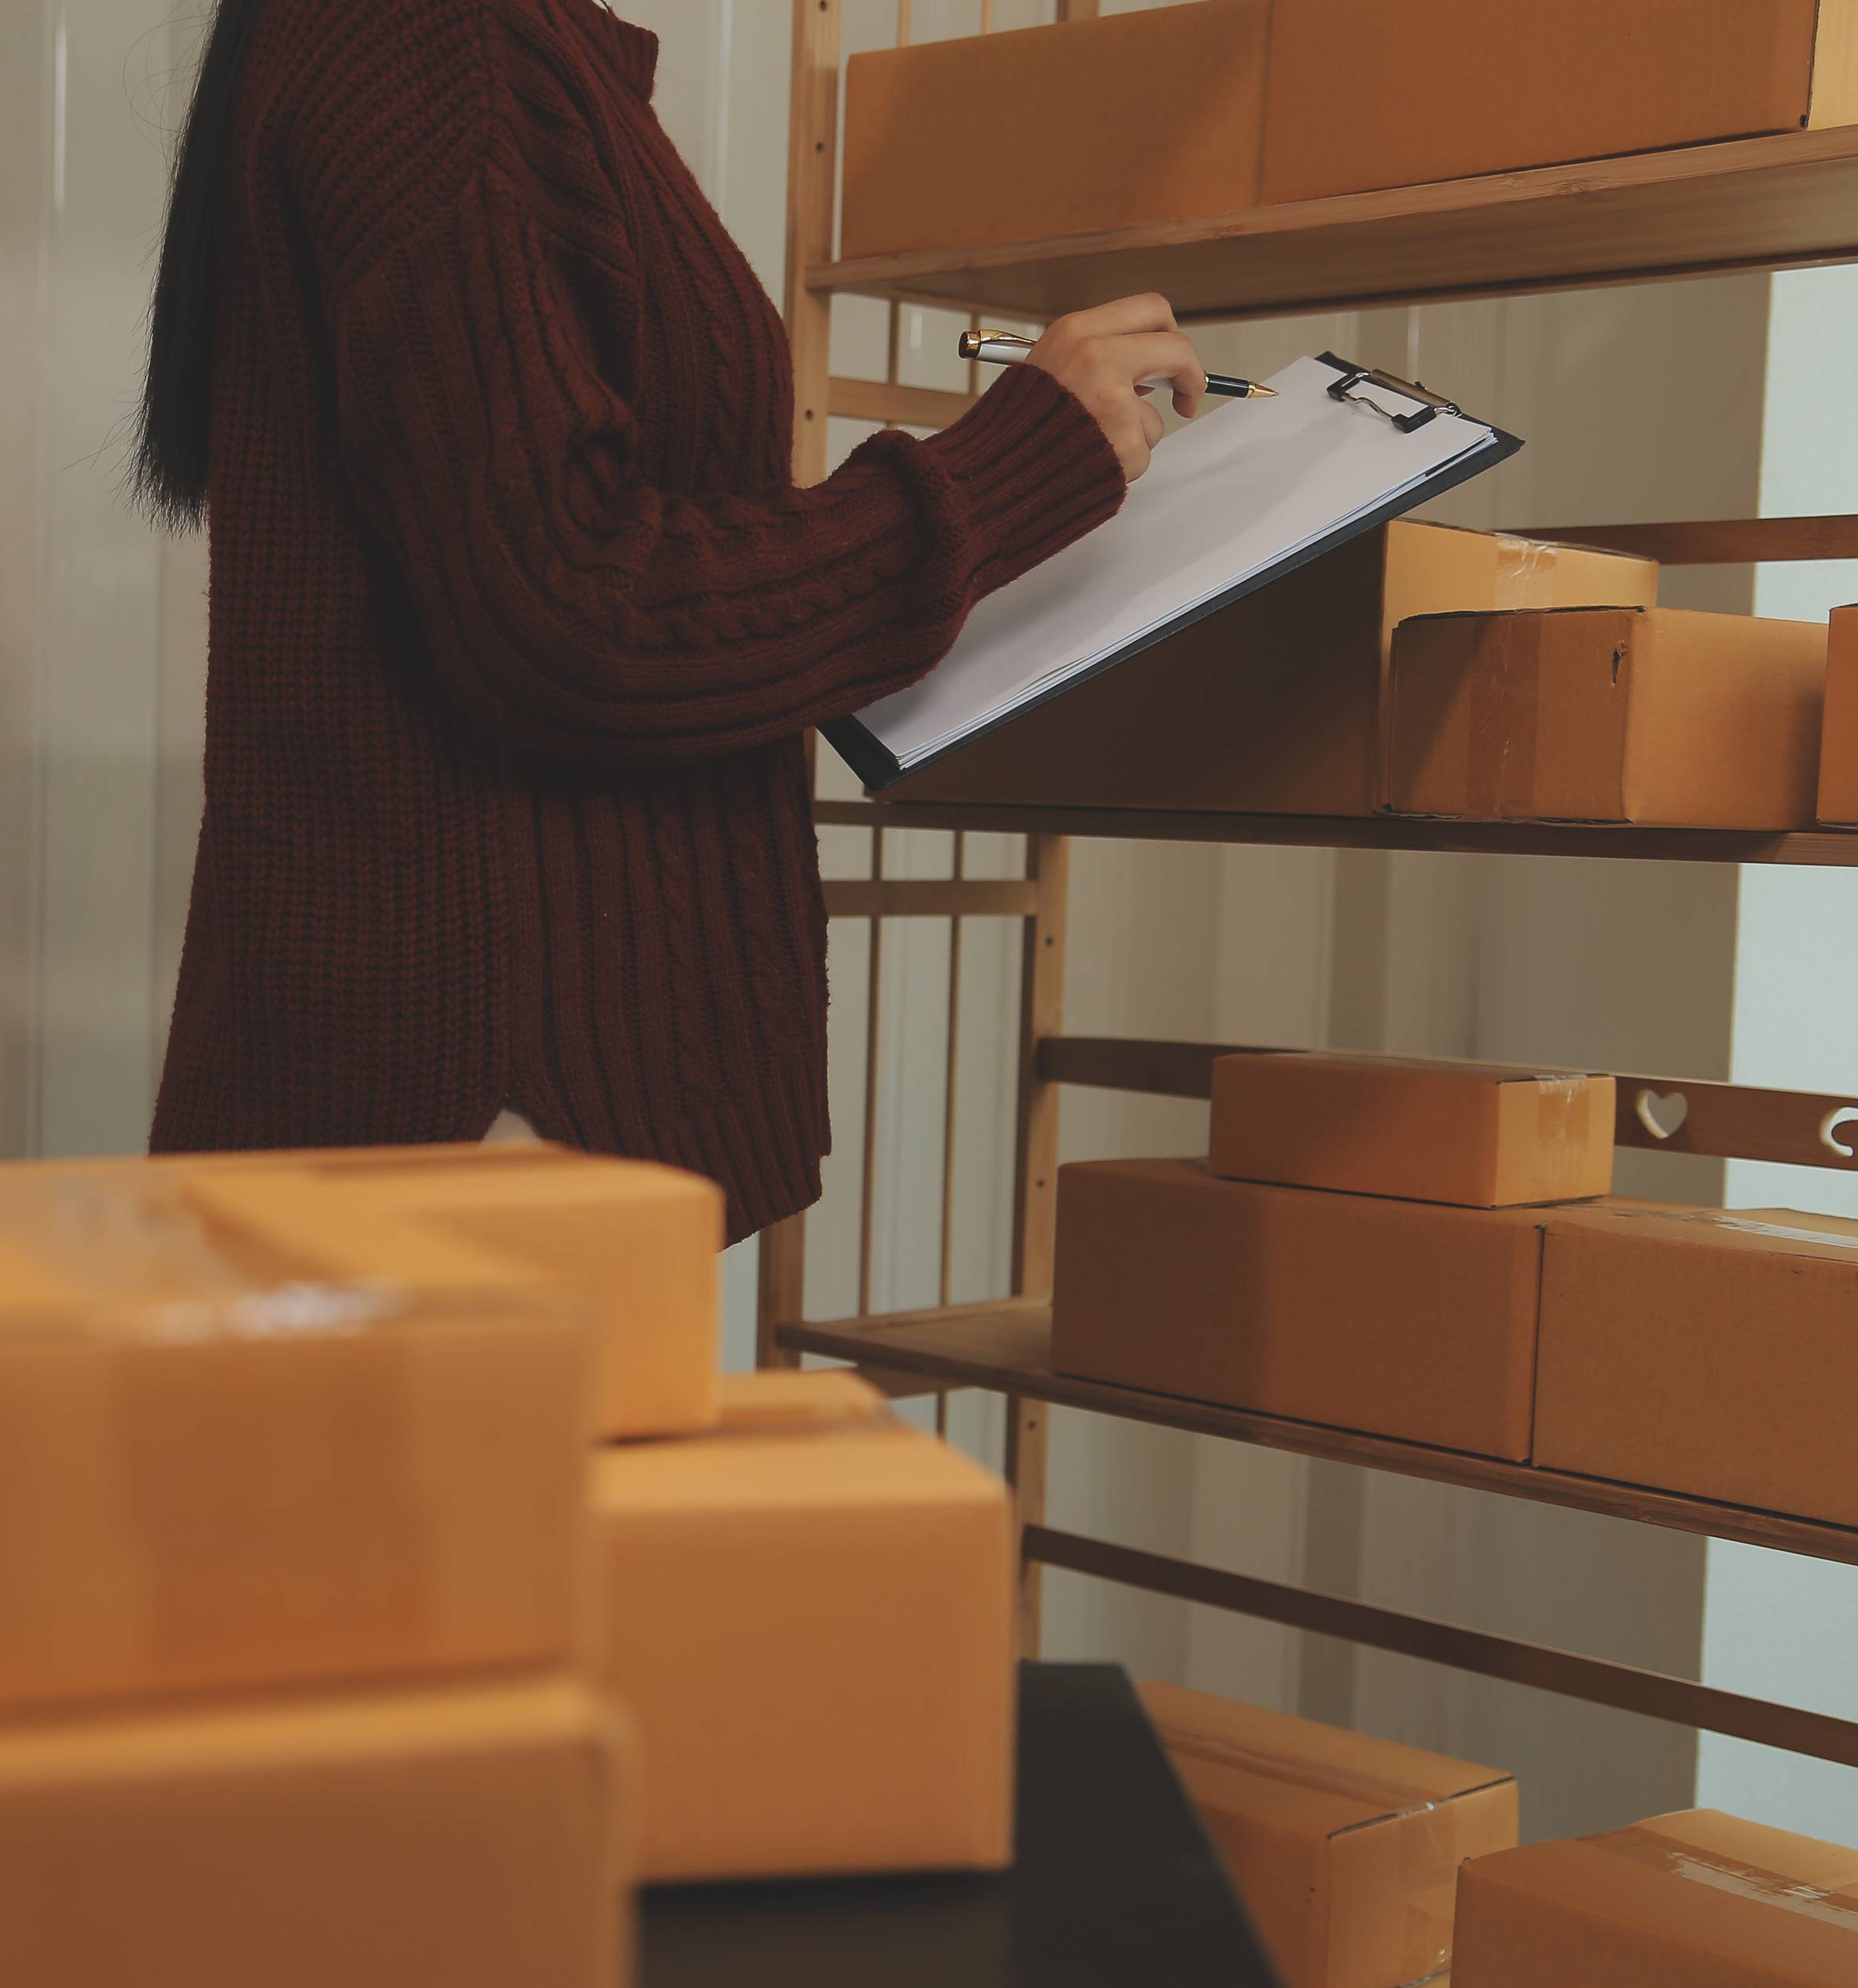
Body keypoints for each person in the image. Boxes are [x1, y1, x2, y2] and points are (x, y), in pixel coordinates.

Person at [135, 0, 1205, 1242]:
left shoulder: (477, 41)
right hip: (477, 1135)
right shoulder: (423, 32)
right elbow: (579, 618)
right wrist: (1002, 471)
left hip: (497, 1124)